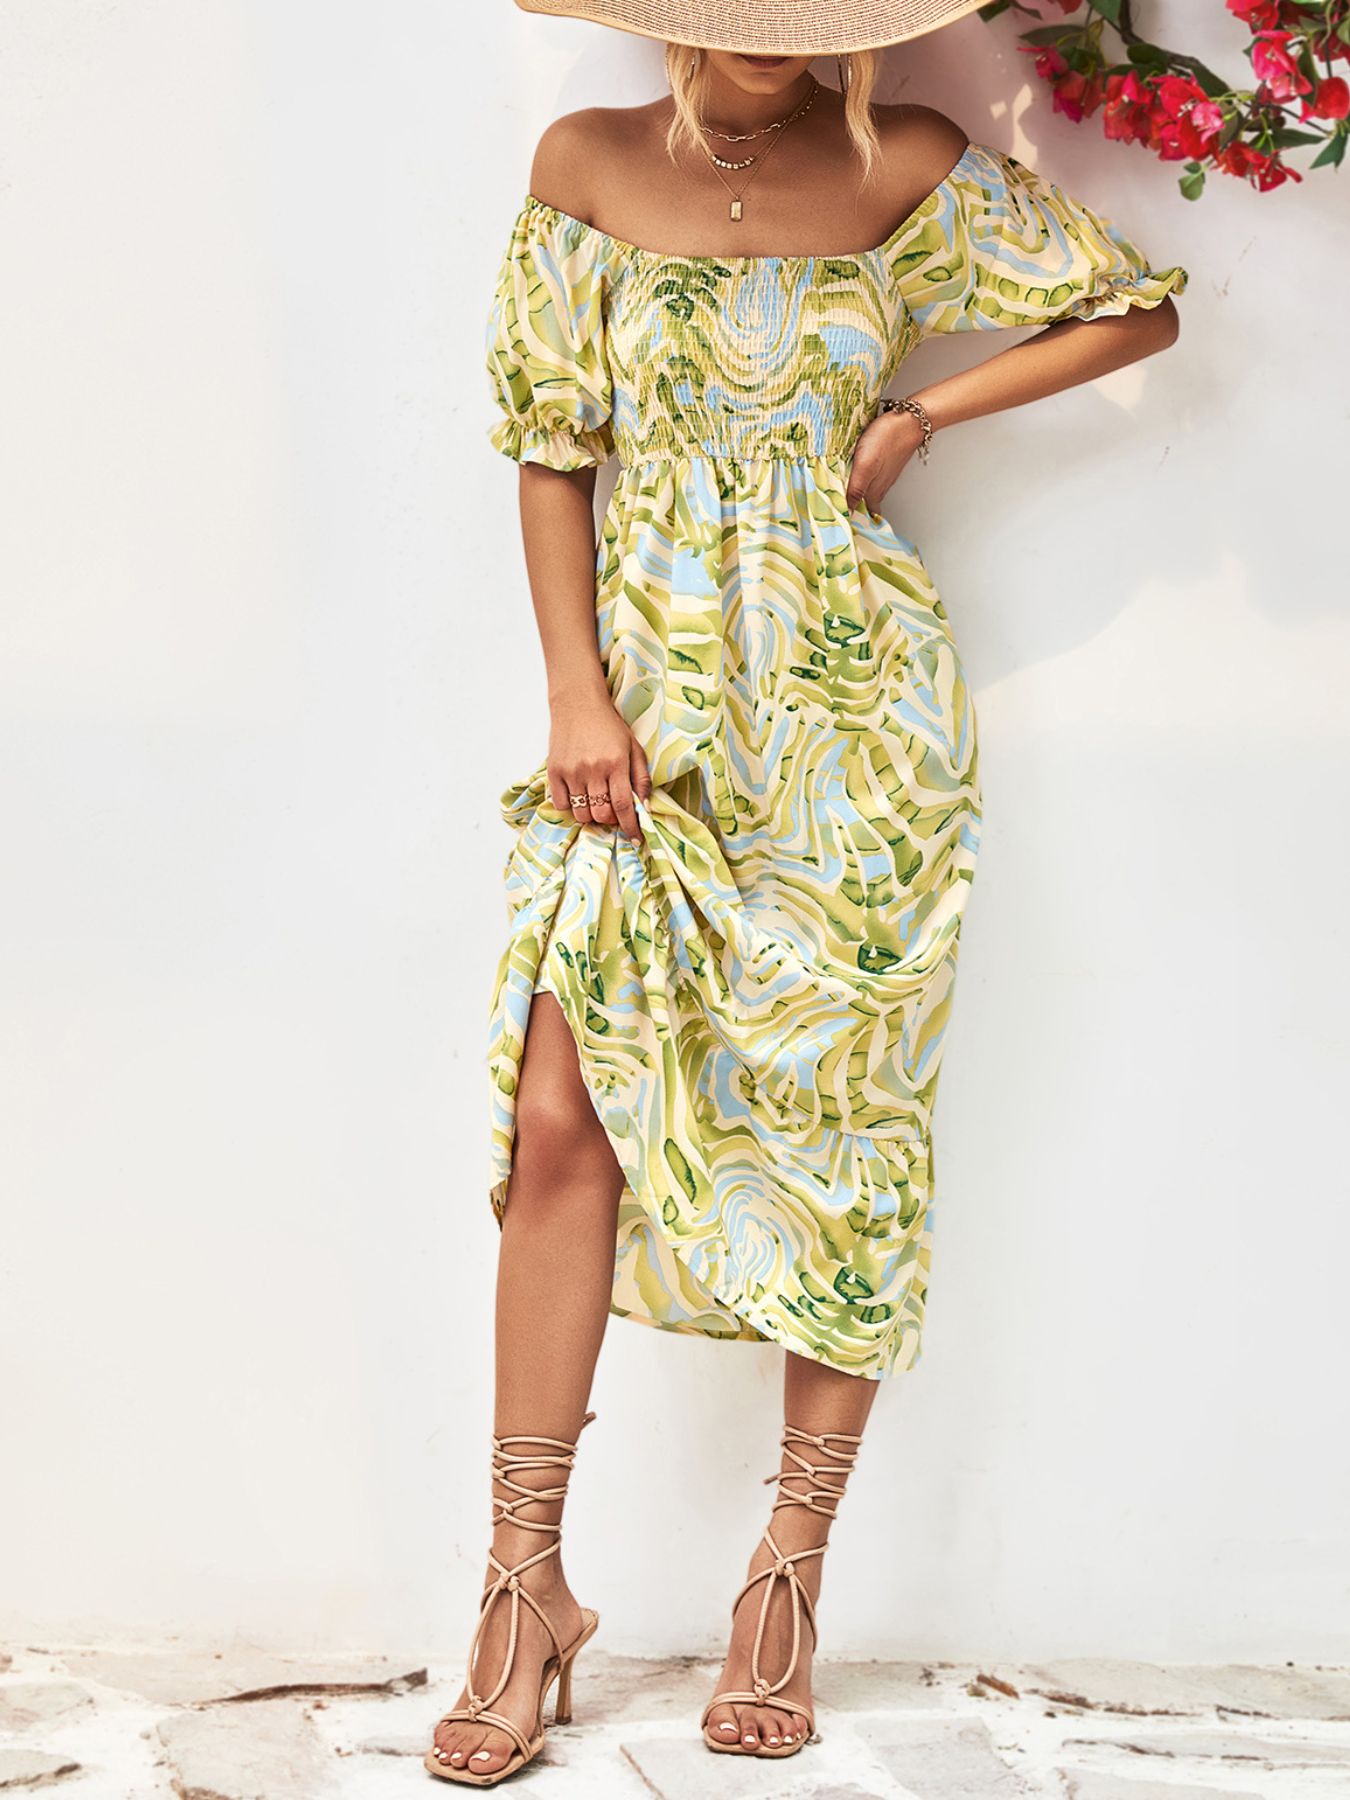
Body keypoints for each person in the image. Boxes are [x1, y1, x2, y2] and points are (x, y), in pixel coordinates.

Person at [427, 0, 1187, 1784]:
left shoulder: (904, 160)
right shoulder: (584, 163)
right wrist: (576, 695)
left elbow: (1132, 307)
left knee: (843, 1127)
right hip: (645, 714)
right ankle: (523, 1587)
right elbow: (550, 449)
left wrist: (919, 412)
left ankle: (787, 1570)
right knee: (560, 1116)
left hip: (855, 723)